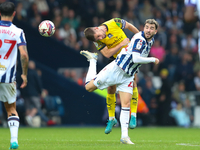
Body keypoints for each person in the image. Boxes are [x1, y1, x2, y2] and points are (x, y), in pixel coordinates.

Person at [81, 19, 159, 144]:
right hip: (116, 68)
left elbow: (128, 26)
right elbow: (135, 57)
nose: (101, 38)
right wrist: (152, 59)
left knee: (125, 104)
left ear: (156, 31)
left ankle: (124, 136)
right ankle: (93, 61)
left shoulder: (147, 39)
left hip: (127, 74)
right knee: (88, 88)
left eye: (151, 28)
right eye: (146, 27)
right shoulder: (140, 39)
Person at [81, 18, 140, 134]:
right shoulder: (97, 40)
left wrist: (139, 37)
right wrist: (122, 44)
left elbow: (129, 26)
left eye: (99, 36)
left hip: (128, 57)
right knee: (110, 88)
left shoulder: (114, 22)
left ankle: (133, 115)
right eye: (97, 39)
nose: (100, 39)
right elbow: (107, 53)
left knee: (133, 83)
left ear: (97, 28)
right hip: (114, 59)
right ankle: (112, 119)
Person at [0, 2, 29, 149]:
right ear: (14, 14)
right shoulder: (18, 31)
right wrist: (24, 74)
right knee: (11, 109)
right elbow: (23, 54)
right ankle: (13, 141)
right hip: (7, 77)